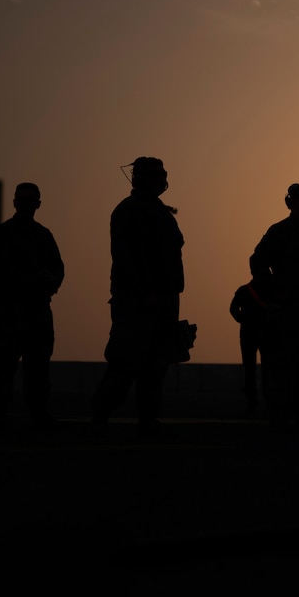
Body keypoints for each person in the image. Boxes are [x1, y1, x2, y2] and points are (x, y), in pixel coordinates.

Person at [91, 157, 188, 436]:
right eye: (156, 175)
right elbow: (125, 258)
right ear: (141, 178)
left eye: (163, 174)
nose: (162, 179)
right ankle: (100, 416)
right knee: (125, 361)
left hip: (165, 299)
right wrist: (145, 292)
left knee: (156, 365)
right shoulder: (129, 211)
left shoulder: (159, 211)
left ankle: (148, 419)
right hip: (138, 301)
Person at [0, 182, 65, 432]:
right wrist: (24, 279)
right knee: (5, 364)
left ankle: (38, 413)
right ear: (14, 202)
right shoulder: (3, 234)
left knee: (38, 366)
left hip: (38, 311)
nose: (24, 203)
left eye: (29, 199)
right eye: (21, 198)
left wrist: (47, 283)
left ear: (37, 204)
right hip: (10, 311)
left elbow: (58, 270)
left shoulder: (44, 235)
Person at [249, 183, 299, 430]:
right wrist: (274, 291)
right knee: (282, 361)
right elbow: (258, 261)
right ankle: (279, 413)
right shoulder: (280, 230)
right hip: (286, 308)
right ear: (293, 202)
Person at [229, 279, 269, 416]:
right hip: (266, 334)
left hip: (248, 334)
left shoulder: (243, 290)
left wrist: (245, 321)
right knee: (268, 369)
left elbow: (233, 309)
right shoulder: (271, 290)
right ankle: (269, 401)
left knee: (249, 369)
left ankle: (252, 402)